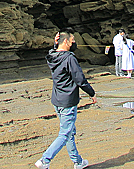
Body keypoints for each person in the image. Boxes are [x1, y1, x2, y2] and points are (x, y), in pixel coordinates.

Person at [36, 32, 95, 169]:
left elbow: (52, 51)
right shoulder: (69, 58)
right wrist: (92, 93)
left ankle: (78, 162)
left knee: (69, 133)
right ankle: (45, 160)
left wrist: (55, 44)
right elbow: (80, 79)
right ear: (66, 41)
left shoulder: (53, 56)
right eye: (73, 40)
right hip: (67, 101)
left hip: (57, 100)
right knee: (65, 134)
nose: (74, 42)